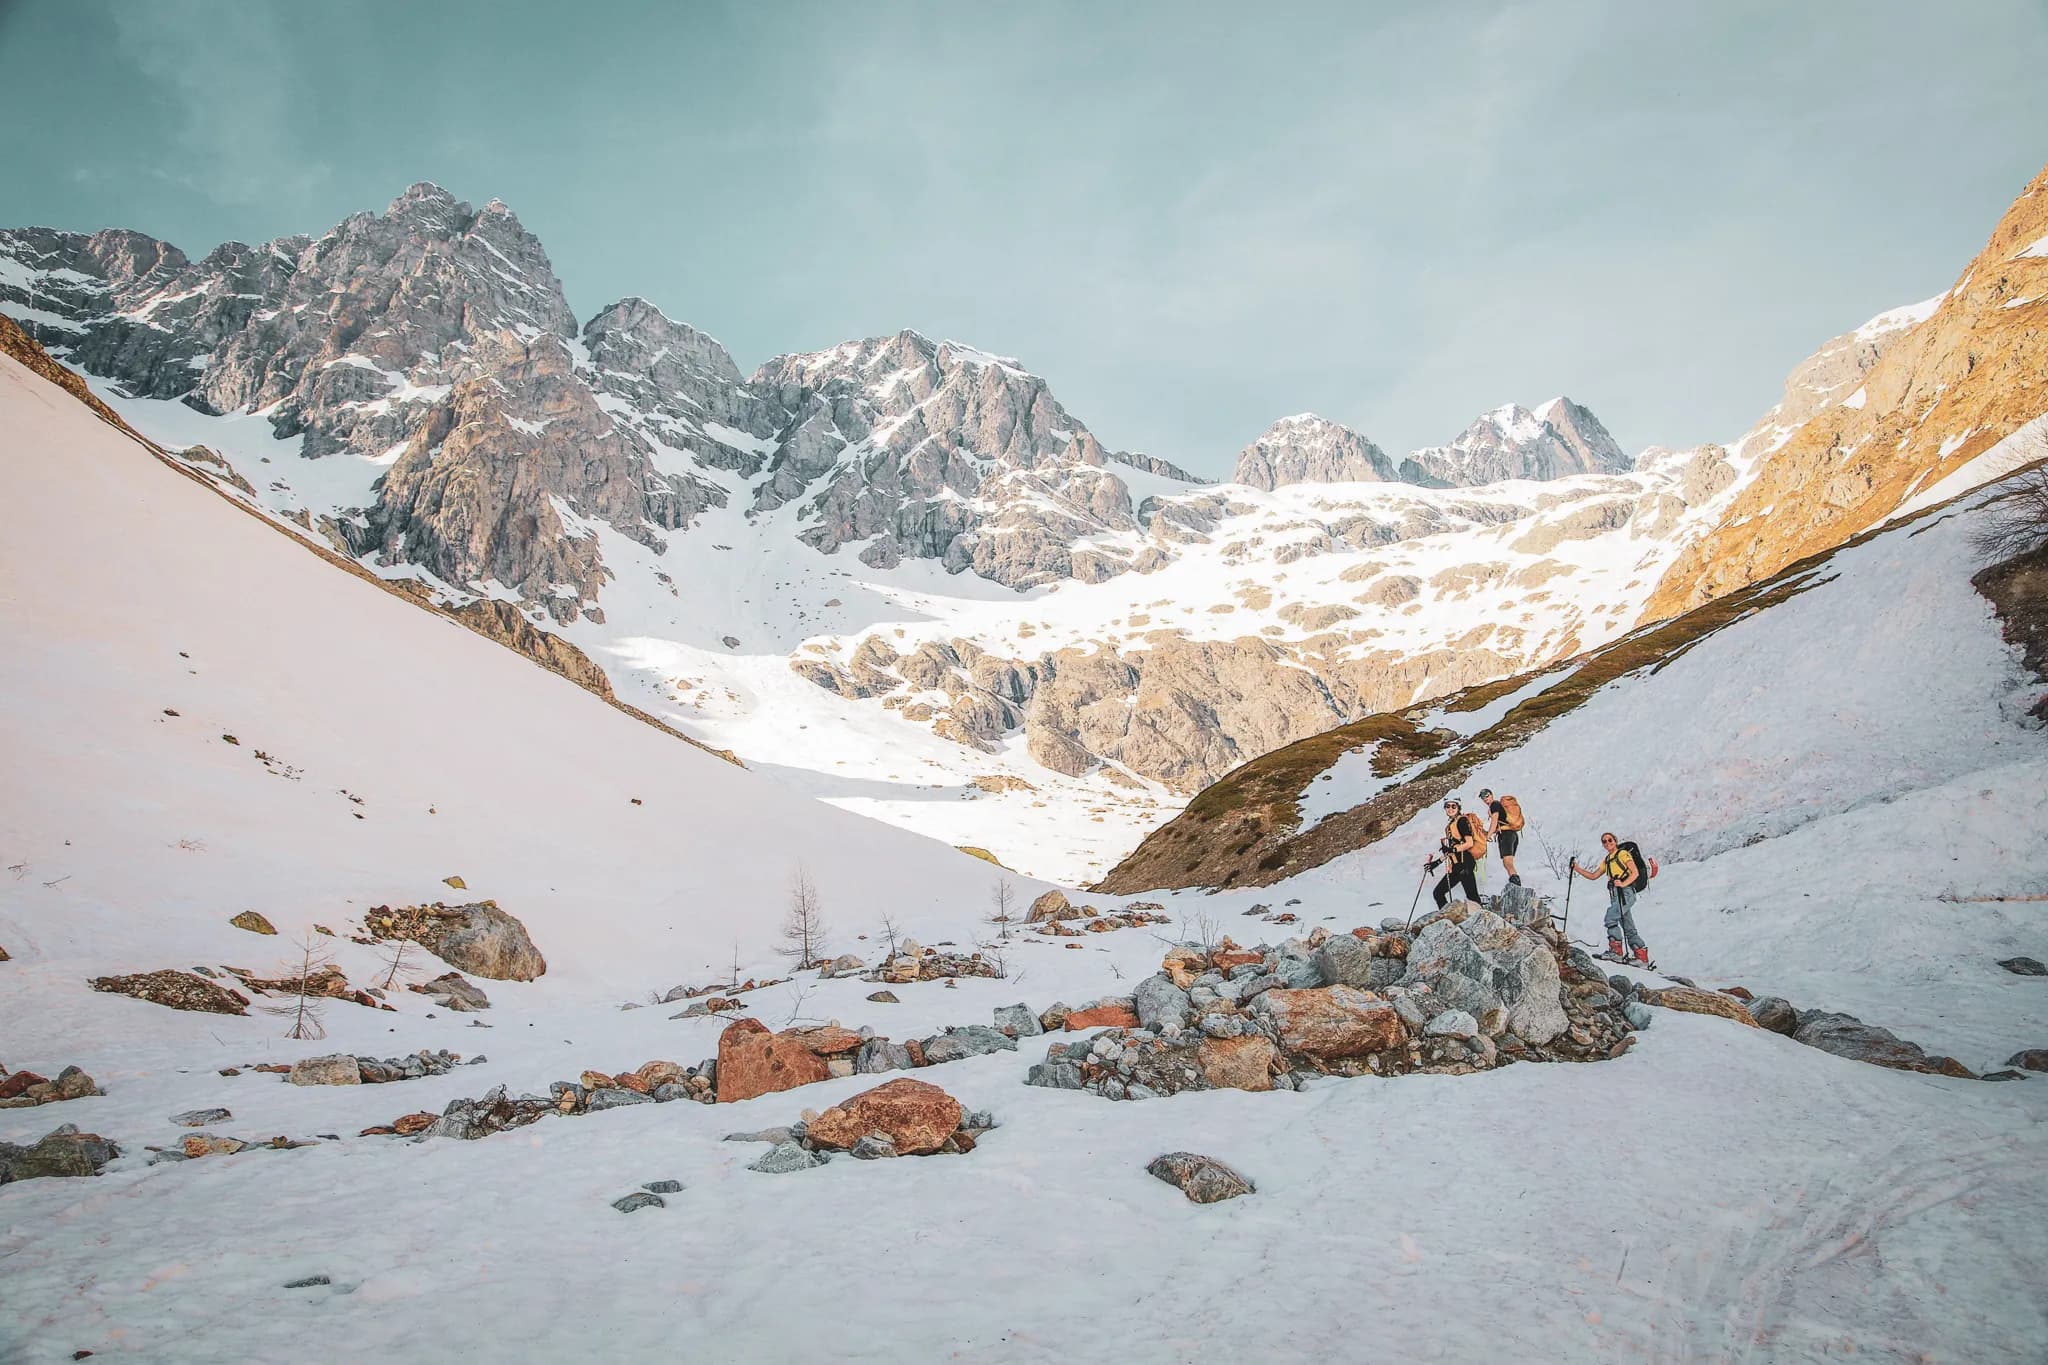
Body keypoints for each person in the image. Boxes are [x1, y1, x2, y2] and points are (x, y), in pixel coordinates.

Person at [1572, 832, 1651, 966]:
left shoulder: (1623, 854)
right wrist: (1577, 868)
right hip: (1616, 894)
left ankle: (1616, 952)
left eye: (1610, 840)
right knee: (1628, 925)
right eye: (1604, 841)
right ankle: (1641, 956)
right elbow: (1593, 876)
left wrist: (1623, 883)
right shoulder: (1607, 860)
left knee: (1610, 917)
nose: (1607, 843)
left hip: (1626, 892)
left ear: (1615, 841)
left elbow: (1635, 872)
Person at [1425, 797, 1484, 908]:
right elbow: (1451, 850)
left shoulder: (1462, 821)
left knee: (1472, 897)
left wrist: (1453, 849)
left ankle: (1484, 921)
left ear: (1458, 807)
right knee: (1438, 893)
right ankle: (1448, 918)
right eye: (1447, 806)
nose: (1450, 809)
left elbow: (1469, 843)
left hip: (1465, 863)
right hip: (1457, 865)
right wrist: (1436, 863)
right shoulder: (1450, 825)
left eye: (1453, 806)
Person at [1478, 787, 1523, 886]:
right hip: (1512, 834)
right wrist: (1487, 833)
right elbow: (1498, 825)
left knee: (1507, 862)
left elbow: (1494, 822)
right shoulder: (1497, 805)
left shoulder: (1494, 805)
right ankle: (1514, 882)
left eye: (1487, 796)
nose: (1485, 799)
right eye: (1483, 798)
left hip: (1506, 835)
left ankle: (1515, 883)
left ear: (1491, 795)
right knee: (1508, 862)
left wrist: (1487, 836)